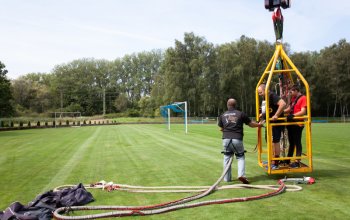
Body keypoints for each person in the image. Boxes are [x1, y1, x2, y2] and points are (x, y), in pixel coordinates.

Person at [218, 98, 263, 184]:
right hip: (237, 139)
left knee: (227, 157)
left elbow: (221, 128)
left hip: (226, 139)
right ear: (235, 105)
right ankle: (241, 175)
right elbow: (251, 124)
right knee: (240, 157)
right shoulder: (240, 114)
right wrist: (259, 125)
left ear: (227, 105)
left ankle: (227, 178)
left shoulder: (223, 115)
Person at [257, 84, 286, 169]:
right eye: (259, 93)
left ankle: (275, 162)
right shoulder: (266, 98)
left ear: (266, 90)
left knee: (275, 141)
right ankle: (272, 158)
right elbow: (269, 110)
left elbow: (283, 104)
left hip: (276, 123)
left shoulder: (272, 95)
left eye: (260, 92)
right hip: (270, 123)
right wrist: (262, 115)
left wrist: (276, 115)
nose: (260, 94)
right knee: (270, 141)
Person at [284, 84, 307, 168]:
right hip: (291, 123)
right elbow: (289, 108)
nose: (290, 93)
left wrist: (293, 115)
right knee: (291, 142)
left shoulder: (303, 98)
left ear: (296, 91)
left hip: (298, 124)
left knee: (297, 142)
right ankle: (288, 159)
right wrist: (281, 112)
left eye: (291, 92)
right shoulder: (293, 99)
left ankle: (297, 161)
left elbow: (303, 111)